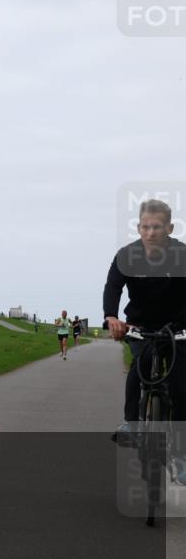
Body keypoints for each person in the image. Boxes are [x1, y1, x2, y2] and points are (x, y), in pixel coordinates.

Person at [105, 199, 186, 484]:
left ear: (169, 228)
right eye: (145, 227)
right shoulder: (127, 256)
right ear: (139, 228)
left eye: (157, 227)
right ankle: (133, 424)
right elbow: (113, 286)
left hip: (178, 328)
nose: (151, 232)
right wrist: (111, 317)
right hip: (141, 326)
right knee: (142, 364)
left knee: (180, 383)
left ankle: (181, 454)